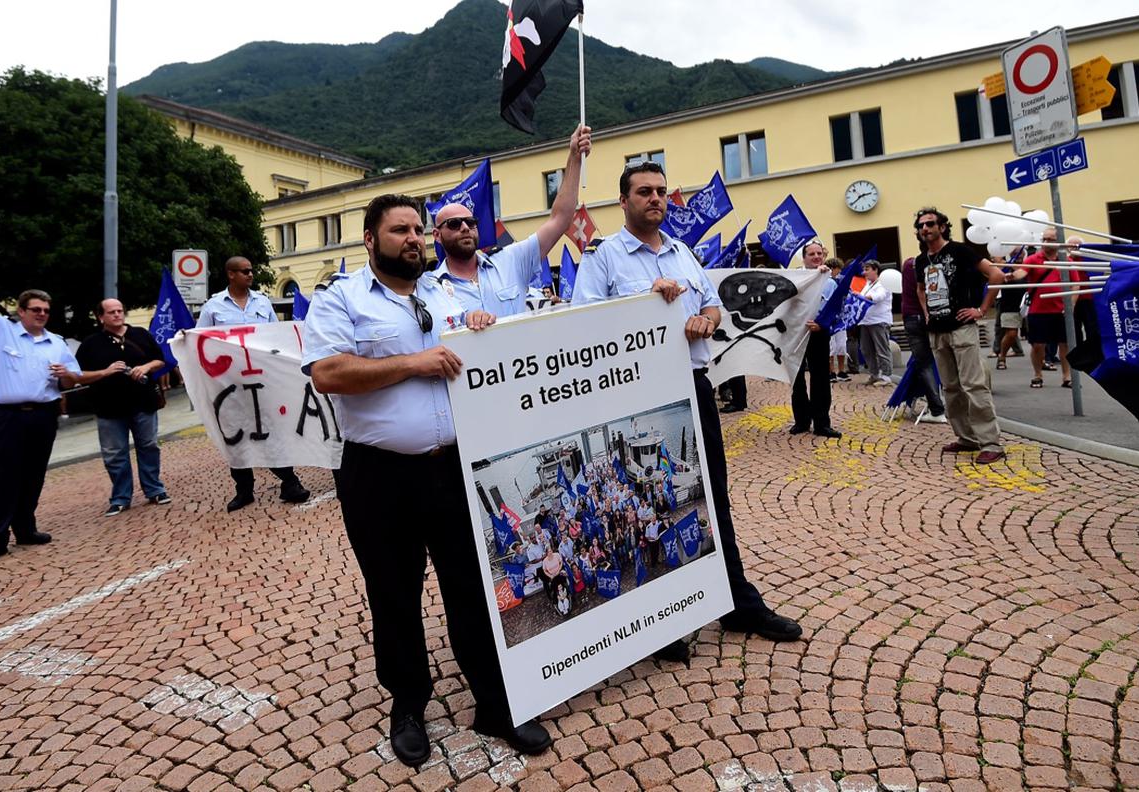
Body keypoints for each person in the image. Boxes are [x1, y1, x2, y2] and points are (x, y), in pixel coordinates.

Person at [302, 194, 550, 767]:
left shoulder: (442, 294)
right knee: (395, 593)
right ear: (370, 239)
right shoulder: (343, 298)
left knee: (472, 587)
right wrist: (413, 363)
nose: (413, 239)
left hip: (452, 468)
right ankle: (409, 705)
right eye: (400, 231)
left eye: (418, 229)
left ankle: (494, 702)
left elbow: (470, 348)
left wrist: (479, 325)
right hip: (379, 475)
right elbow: (327, 372)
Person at [572, 161, 806, 664]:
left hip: (693, 386)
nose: (655, 199)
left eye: (660, 192)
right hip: (637, 399)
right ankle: (662, 621)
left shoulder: (682, 252)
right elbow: (583, 326)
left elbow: (713, 307)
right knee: (653, 513)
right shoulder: (603, 257)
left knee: (711, 497)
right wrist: (643, 303)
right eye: (644, 192)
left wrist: (704, 317)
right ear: (624, 201)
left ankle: (737, 603)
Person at [0, 237, 82, 568]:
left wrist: (64, 375)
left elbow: (73, 379)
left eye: (46, 310)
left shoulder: (57, 343)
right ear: (21, 311)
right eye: (36, 309)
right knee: (4, 476)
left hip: (44, 414)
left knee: (34, 474)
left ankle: (25, 528)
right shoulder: (1, 330)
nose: (42, 314)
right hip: (8, 416)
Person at [432, 125, 591, 317]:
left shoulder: (511, 261)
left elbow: (561, 218)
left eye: (471, 222)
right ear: (437, 235)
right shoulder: (430, 289)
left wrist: (574, 158)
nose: (465, 228)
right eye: (454, 224)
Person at [197, 256, 310, 511]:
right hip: (230, 385)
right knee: (236, 436)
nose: (250, 275)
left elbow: (275, 336)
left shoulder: (262, 302)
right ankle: (244, 489)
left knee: (272, 431)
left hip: (262, 381)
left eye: (251, 271)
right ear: (231, 274)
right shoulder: (213, 308)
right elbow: (200, 341)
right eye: (244, 271)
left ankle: (289, 482)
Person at [912, 207, 1007, 465]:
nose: (925, 229)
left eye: (931, 224)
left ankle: (990, 443)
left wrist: (982, 309)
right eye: (921, 226)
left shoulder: (960, 251)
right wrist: (926, 313)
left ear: (942, 226)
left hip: (962, 328)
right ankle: (966, 438)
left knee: (973, 385)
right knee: (952, 388)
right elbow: (921, 290)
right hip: (937, 332)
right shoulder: (921, 261)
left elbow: (997, 275)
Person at [74, 299, 172, 516]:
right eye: (111, 312)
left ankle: (154, 489)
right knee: (115, 454)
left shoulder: (140, 334)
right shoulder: (91, 343)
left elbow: (160, 360)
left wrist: (145, 367)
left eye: (120, 311)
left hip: (143, 402)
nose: (117, 315)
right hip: (109, 407)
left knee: (148, 445)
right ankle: (121, 497)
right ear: (101, 317)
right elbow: (79, 376)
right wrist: (105, 372)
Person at [789, 241, 841, 437]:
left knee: (820, 378)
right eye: (812, 254)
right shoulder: (796, 278)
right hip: (796, 334)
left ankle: (822, 423)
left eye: (819, 253)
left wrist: (822, 325)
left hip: (819, 333)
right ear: (804, 258)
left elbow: (835, 309)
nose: (817, 256)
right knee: (797, 379)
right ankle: (801, 421)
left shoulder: (829, 281)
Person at [1021, 228, 1074, 389]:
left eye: (1050, 239)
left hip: (1061, 310)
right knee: (1037, 345)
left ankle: (1066, 376)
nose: (1045, 242)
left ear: (1058, 241)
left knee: (1064, 344)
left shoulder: (1066, 260)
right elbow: (1022, 272)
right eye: (1044, 239)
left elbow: (1076, 284)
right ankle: (1038, 375)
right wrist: (1011, 275)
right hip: (1038, 310)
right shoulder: (1033, 259)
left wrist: (1071, 304)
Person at [898, 255, 948, 423]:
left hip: (913, 317)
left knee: (924, 363)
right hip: (933, 316)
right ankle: (947, 403)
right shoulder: (933, 266)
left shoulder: (909, 264)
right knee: (942, 358)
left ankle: (936, 409)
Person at [857, 260, 894, 386]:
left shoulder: (883, 283)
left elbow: (879, 297)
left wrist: (861, 297)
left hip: (879, 320)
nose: (864, 272)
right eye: (864, 269)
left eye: (867, 269)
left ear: (875, 270)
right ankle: (874, 374)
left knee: (881, 348)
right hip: (865, 321)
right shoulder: (867, 285)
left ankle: (886, 375)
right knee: (866, 349)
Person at [994, 260, 1028, 371]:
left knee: (1038, 338)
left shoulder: (1029, 266)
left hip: (1028, 305)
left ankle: (1043, 360)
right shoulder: (1004, 269)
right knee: (1011, 334)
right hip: (1009, 306)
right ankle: (1002, 357)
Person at [826, 259, 851, 382]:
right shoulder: (825, 282)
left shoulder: (841, 281)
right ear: (832, 268)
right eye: (838, 269)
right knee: (831, 346)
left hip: (841, 317)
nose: (840, 271)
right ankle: (831, 371)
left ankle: (841, 370)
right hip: (830, 318)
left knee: (841, 345)